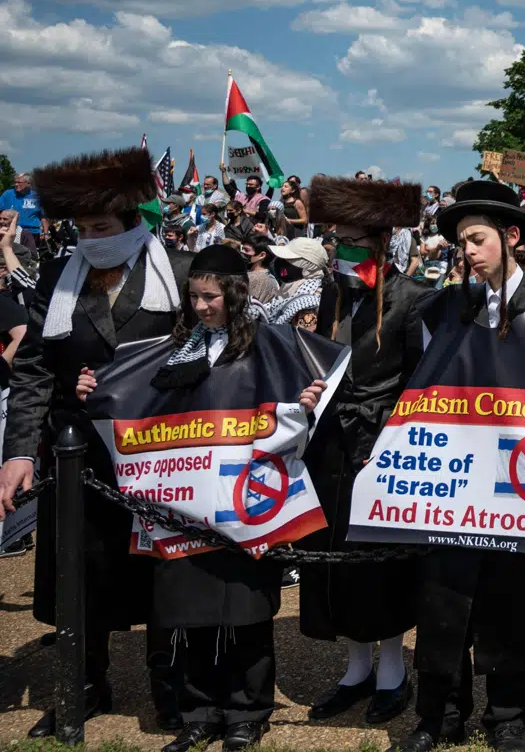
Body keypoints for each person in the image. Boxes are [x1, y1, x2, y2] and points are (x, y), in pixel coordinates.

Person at [74, 245, 331, 752]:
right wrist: (94, 390)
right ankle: (199, 712)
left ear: (234, 295)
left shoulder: (272, 347)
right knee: (185, 613)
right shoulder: (172, 350)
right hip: (183, 508)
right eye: (193, 296)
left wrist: (306, 405)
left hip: (246, 505)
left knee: (246, 614)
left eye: (210, 296)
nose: (201, 306)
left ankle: (247, 713)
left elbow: (302, 415)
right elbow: (131, 399)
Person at [0, 147, 192, 735]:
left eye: (103, 228)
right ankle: (83, 686)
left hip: (161, 451)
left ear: (135, 221)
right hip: (77, 449)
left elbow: (211, 357)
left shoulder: (180, 274)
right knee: (81, 573)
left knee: (165, 571)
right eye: (82, 229)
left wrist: (138, 385)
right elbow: (34, 367)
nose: (92, 240)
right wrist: (17, 451)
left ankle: (170, 688)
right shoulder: (60, 273)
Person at [388, 180, 525, 752]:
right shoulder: (442, 309)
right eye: (461, 241)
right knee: (445, 599)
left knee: (517, 598)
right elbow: (416, 387)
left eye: (476, 239)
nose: (465, 251)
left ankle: (509, 714)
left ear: (511, 237)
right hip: (455, 486)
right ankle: (439, 714)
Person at [297, 177, 430, 726]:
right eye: (335, 240)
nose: (339, 252)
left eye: (350, 242)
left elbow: (421, 382)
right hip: (328, 443)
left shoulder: (412, 298)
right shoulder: (333, 293)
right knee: (333, 558)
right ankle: (355, 669)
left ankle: (393, 671)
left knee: (379, 561)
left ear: (378, 244)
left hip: (383, 445)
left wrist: (392, 433)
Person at [0, 173, 45, 249]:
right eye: (15, 182)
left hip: (33, 233)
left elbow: (44, 217)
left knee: (31, 257)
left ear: (28, 183)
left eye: (19, 182)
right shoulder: (7, 194)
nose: (16, 184)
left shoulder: (37, 196)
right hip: (11, 232)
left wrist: (45, 233)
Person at [242, 236, 279, 304]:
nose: (242, 252)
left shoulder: (256, 278)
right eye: (242, 249)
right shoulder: (267, 275)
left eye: (246, 250)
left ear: (262, 255)